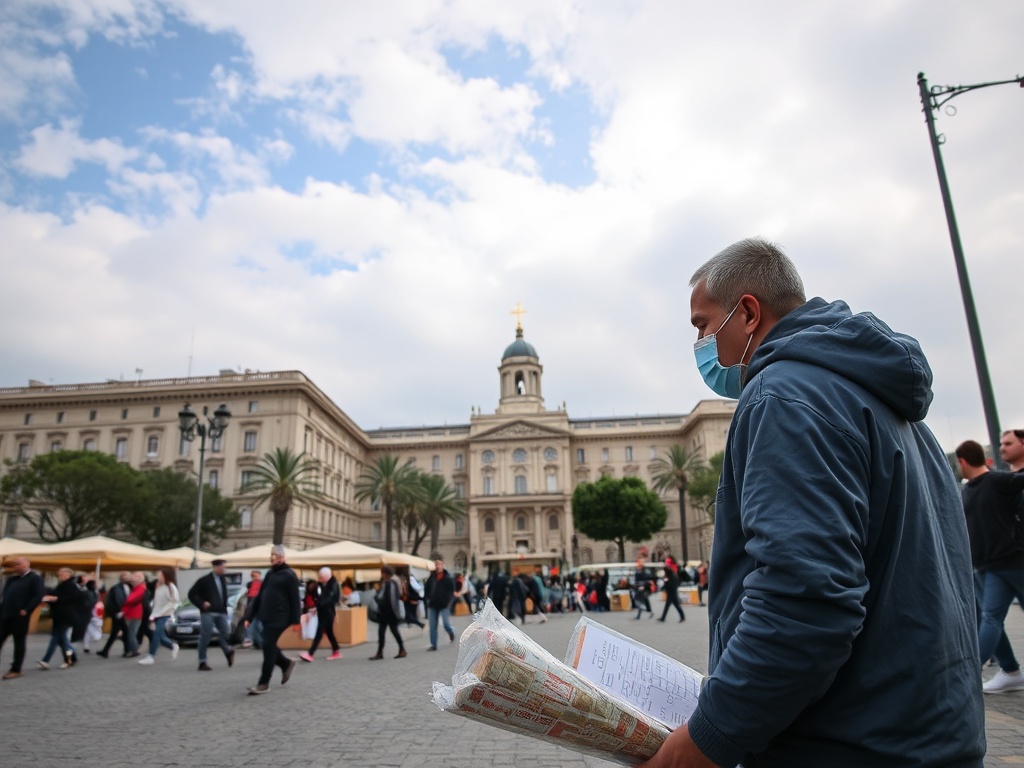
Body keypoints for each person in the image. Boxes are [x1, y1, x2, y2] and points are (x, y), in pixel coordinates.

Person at [640, 237, 983, 768]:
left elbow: (804, 601)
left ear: (748, 313)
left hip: (847, 744)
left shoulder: (785, 395)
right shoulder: (895, 408)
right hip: (928, 734)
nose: (703, 343)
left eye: (703, 326)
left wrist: (707, 738)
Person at [956, 439, 1024, 694]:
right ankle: (1009, 671)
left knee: (990, 619)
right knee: (990, 618)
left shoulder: (996, 481)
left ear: (962, 461)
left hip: (1013, 561)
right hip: (989, 566)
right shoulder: (967, 489)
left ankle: (971, 673)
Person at [245, 545, 301, 695]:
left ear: (282, 557)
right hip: (267, 616)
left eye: (275, 555)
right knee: (268, 645)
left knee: (268, 647)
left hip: (280, 617)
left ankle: (264, 683)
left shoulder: (289, 575)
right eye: (271, 554)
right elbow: (260, 596)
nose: (272, 557)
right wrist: (249, 616)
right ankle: (286, 663)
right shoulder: (270, 573)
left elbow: (295, 599)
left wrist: (296, 620)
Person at [1, 556, 45, 679]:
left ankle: (16, 668)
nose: (15, 566)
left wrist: (27, 609)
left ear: (26, 564)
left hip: (20, 616)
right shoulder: (12, 579)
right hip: (5, 614)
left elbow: (38, 595)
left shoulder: (35, 578)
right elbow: (5, 596)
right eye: (14, 564)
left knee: (18, 642)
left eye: (18, 564)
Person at [188, 559, 235, 671]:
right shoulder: (204, 580)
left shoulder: (223, 579)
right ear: (216, 567)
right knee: (206, 636)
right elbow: (192, 594)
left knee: (225, 634)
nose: (225, 569)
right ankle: (202, 662)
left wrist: (225, 607)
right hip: (208, 612)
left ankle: (228, 651)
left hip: (221, 612)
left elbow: (223, 596)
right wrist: (202, 603)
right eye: (223, 567)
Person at [38, 567, 86, 669]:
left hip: (66, 616)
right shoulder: (61, 585)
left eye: (64, 574)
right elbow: (57, 596)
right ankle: (71, 658)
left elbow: (74, 598)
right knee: (63, 640)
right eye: (60, 574)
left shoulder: (72, 585)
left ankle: (46, 660)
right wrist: (49, 599)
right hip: (59, 615)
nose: (61, 576)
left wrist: (57, 598)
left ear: (69, 574)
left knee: (55, 637)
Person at [300, 567, 342, 662]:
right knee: (329, 633)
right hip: (325, 611)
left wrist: (319, 605)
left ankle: (310, 654)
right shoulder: (325, 584)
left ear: (326, 575)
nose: (320, 577)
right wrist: (317, 606)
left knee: (319, 633)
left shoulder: (332, 585)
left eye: (321, 576)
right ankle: (336, 651)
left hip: (327, 612)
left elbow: (330, 598)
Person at [139, 567, 180, 665]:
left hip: (165, 615)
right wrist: (153, 611)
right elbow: (157, 601)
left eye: (161, 575)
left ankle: (151, 656)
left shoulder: (171, 586)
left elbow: (174, 602)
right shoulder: (160, 586)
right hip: (157, 615)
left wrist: (164, 611)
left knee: (156, 635)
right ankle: (173, 646)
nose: (159, 577)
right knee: (161, 637)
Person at [369, 565, 406, 660]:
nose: (382, 574)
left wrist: (378, 599)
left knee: (391, 631)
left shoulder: (390, 583)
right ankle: (381, 652)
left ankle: (401, 649)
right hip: (386, 612)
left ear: (386, 573)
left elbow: (390, 599)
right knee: (383, 632)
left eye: (383, 572)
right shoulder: (388, 582)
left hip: (389, 612)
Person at [424, 557, 456, 651]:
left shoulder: (448, 578)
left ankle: (451, 632)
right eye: (436, 564)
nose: (437, 566)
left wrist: (448, 602)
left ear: (443, 565)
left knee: (446, 624)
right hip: (433, 604)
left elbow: (451, 592)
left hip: (444, 605)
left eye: (439, 564)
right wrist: (427, 599)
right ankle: (433, 644)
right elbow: (427, 589)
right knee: (433, 625)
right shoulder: (431, 578)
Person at [97, 572, 132, 658]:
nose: (126, 578)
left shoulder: (129, 587)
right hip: (119, 613)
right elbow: (118, 600)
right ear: (121, 578)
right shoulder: (117, 588)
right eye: (124, 576)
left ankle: (105, 651)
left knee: (114, 633)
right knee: (126, 631)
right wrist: (121, 611)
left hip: (121, 613)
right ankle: (127, 651)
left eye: (128, 576)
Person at [118, 572, 147, 659]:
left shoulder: (140, 588)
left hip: (135, 614)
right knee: (131, 633)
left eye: (136, 577)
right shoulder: (138, 588)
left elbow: (130, 600)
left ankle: (134, 650)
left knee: (131, 633)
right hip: (133, 614)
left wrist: (123, 609)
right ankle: (134, 648)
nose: (133, 579)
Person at [658, 556, 685, 622]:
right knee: (672, 605)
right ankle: (663, 617)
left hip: (671, 591)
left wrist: (663, 587)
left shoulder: (670, 573)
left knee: (675, 605)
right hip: (671, 591)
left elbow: (668, 582)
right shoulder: (671, 573)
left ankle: (682, 617)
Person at [242, 570, 263, 648]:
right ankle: (256, 642)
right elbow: (248, 597)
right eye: (253, 576)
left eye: (256, 576)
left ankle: (259, 642)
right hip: (251, 607)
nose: (254, 577)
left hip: (260, 607)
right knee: (252, 624)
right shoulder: (250, 584)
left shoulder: (263, 584)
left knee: (259, 625)